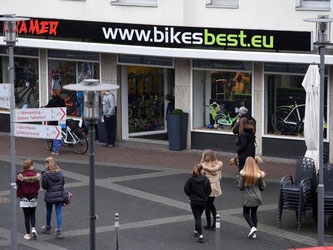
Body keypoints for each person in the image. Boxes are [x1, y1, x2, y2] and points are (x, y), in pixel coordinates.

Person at [239, 156, 266, 239]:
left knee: (246, 213)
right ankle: (254, 233)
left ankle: (252, 227)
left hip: (247, 197)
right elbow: (263, 186)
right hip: (257, 197)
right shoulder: (260, 174)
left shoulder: (243, 174)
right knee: (254, 213)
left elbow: (241, 187)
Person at [184, 164, 211, 243]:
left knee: (197, 217)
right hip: (203, 201)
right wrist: (205, 195)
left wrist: (191, 195)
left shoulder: (190, 179)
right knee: (198, 216)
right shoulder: (206, 179)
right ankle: (196, 230)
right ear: (201, 170)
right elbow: (209, 191)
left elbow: (186, 190)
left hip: (194, 201)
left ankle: (201, 235)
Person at [16, 159, 40, 240]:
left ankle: (28, 234)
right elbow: (38, 187)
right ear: (31, 166)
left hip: (24, 198)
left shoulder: (21, 175)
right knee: (33, 214)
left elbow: (16, 182)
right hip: (33, 197)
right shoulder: (35, 175)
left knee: (26, 216)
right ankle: (33, 228)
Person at [41, 157, 65, 239]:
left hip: (50, 196)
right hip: (59, 195)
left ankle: (47, 227)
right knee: (58, 212)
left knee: (49, 211)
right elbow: (63, 183)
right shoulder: (60, 173)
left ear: (47, 164)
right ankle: (59, 230)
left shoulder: (46, 174)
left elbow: (44, 187)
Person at [200, 150, 222, 231]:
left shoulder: (203, 166)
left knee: (207, 206)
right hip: (215, 187)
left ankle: (208, 224)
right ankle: (215, 223)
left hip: (207, 188)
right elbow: (220, 177)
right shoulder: (218, 165)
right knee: (211, 204)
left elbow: (201, 177)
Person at [45, 89, 66, 156]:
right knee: (62, 133)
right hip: (61, 120)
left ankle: (56, 151)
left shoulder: (51, 101)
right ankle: (67, 142)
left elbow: (47, 108)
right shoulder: (62, 101)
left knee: (55, 135)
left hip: (53, 121)